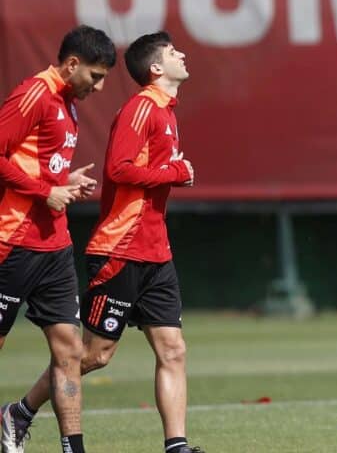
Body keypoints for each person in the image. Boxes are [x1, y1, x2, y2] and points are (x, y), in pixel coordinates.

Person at [4, 32, 201, 453]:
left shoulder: (165, 112)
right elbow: (121, 169)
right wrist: (175, 173)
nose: (182, 54)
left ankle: (177, 445)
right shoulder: (139, 109)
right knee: (93, 355)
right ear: (156, 68)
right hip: (119, 248)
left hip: (154, 249)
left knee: (173, 348)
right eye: (172, 52)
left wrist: (60, 181)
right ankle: (20, 411)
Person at [0, 25, 116, 453]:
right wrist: (45, 190)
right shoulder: (34, 93)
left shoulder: (68, 102)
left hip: (54, 245)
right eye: (96, 76)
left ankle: (73, 447)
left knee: (69, 351)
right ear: (72, 64)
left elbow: (34, 166)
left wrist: (63, 181)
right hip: (11, 241)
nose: (99, 86)